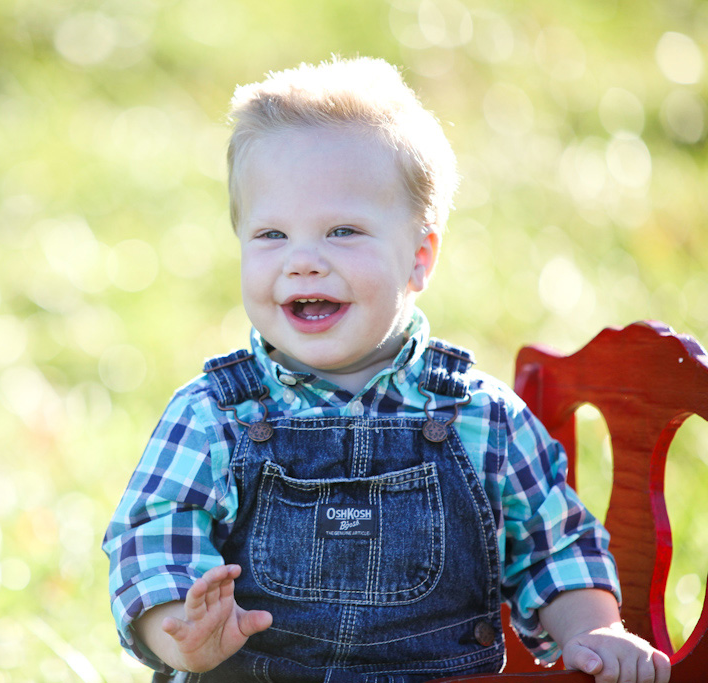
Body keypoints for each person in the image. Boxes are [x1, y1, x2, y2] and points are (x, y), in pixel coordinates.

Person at [102, 56, 671, 683]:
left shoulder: (481, 419)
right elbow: (152, 539)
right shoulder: (215, 415)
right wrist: (180, 633)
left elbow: (554, 545)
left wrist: (592, 627)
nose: (304, 261)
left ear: (419, 258)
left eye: (342, 231)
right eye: (271, 235)